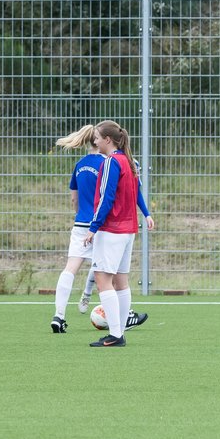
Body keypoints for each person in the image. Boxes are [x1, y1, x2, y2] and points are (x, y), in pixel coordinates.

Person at [48, 124, 153, 334]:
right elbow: (113, 196)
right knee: (111, 277)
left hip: (83, 223)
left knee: (73, 268)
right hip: (105, 224)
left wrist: (83, 216)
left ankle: (59, 315)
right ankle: (120, 324)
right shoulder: (113, 163)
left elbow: (74, 198)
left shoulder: (81, 165)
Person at [83, 120, 154, 347]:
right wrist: (146, 213)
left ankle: (115, 335)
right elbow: (137, 192)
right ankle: (120, 331)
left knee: (104, 281)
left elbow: (106, 197)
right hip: (128, 231)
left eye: (96, 137)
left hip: (111, 230)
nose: (94, 141)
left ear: (107, 140)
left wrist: (93, 228)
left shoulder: (112, 162)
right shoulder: (128, 161)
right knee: (121, 282)